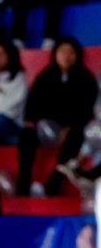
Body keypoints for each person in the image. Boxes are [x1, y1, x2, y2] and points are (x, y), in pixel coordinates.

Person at [18, 37, 99, 196]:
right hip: (45, 127)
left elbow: (87, 109)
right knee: (26, 134)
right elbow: (33, 103)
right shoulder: (45, 76)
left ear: (77, 55)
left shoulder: (86, 78)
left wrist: (68, 127)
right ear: (55, 54)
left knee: (77, 135)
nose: (66, 56)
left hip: (72, 127)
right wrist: (34, 121)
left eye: (71, 52)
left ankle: (55, 181)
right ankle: (23, 185)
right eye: (62, 52)